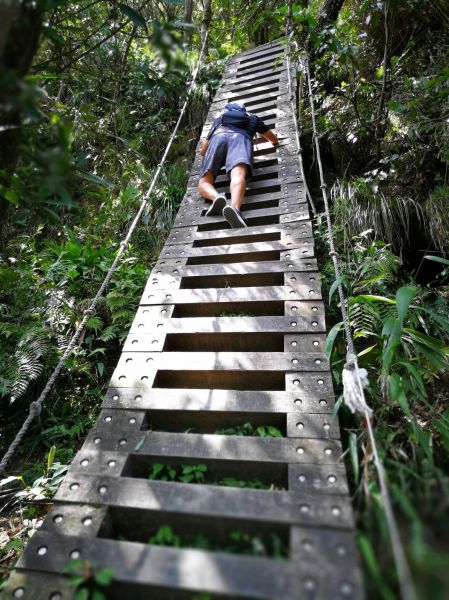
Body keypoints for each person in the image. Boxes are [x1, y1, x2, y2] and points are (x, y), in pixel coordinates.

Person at [197, 102, 278, 228]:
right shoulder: (253, 118)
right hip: (241, 139)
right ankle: (234, 208)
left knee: (205, 181)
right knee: (238, 175)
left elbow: (202, 151)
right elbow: (273, 139)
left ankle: (216, 197)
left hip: (218, 138)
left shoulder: (220, 119)